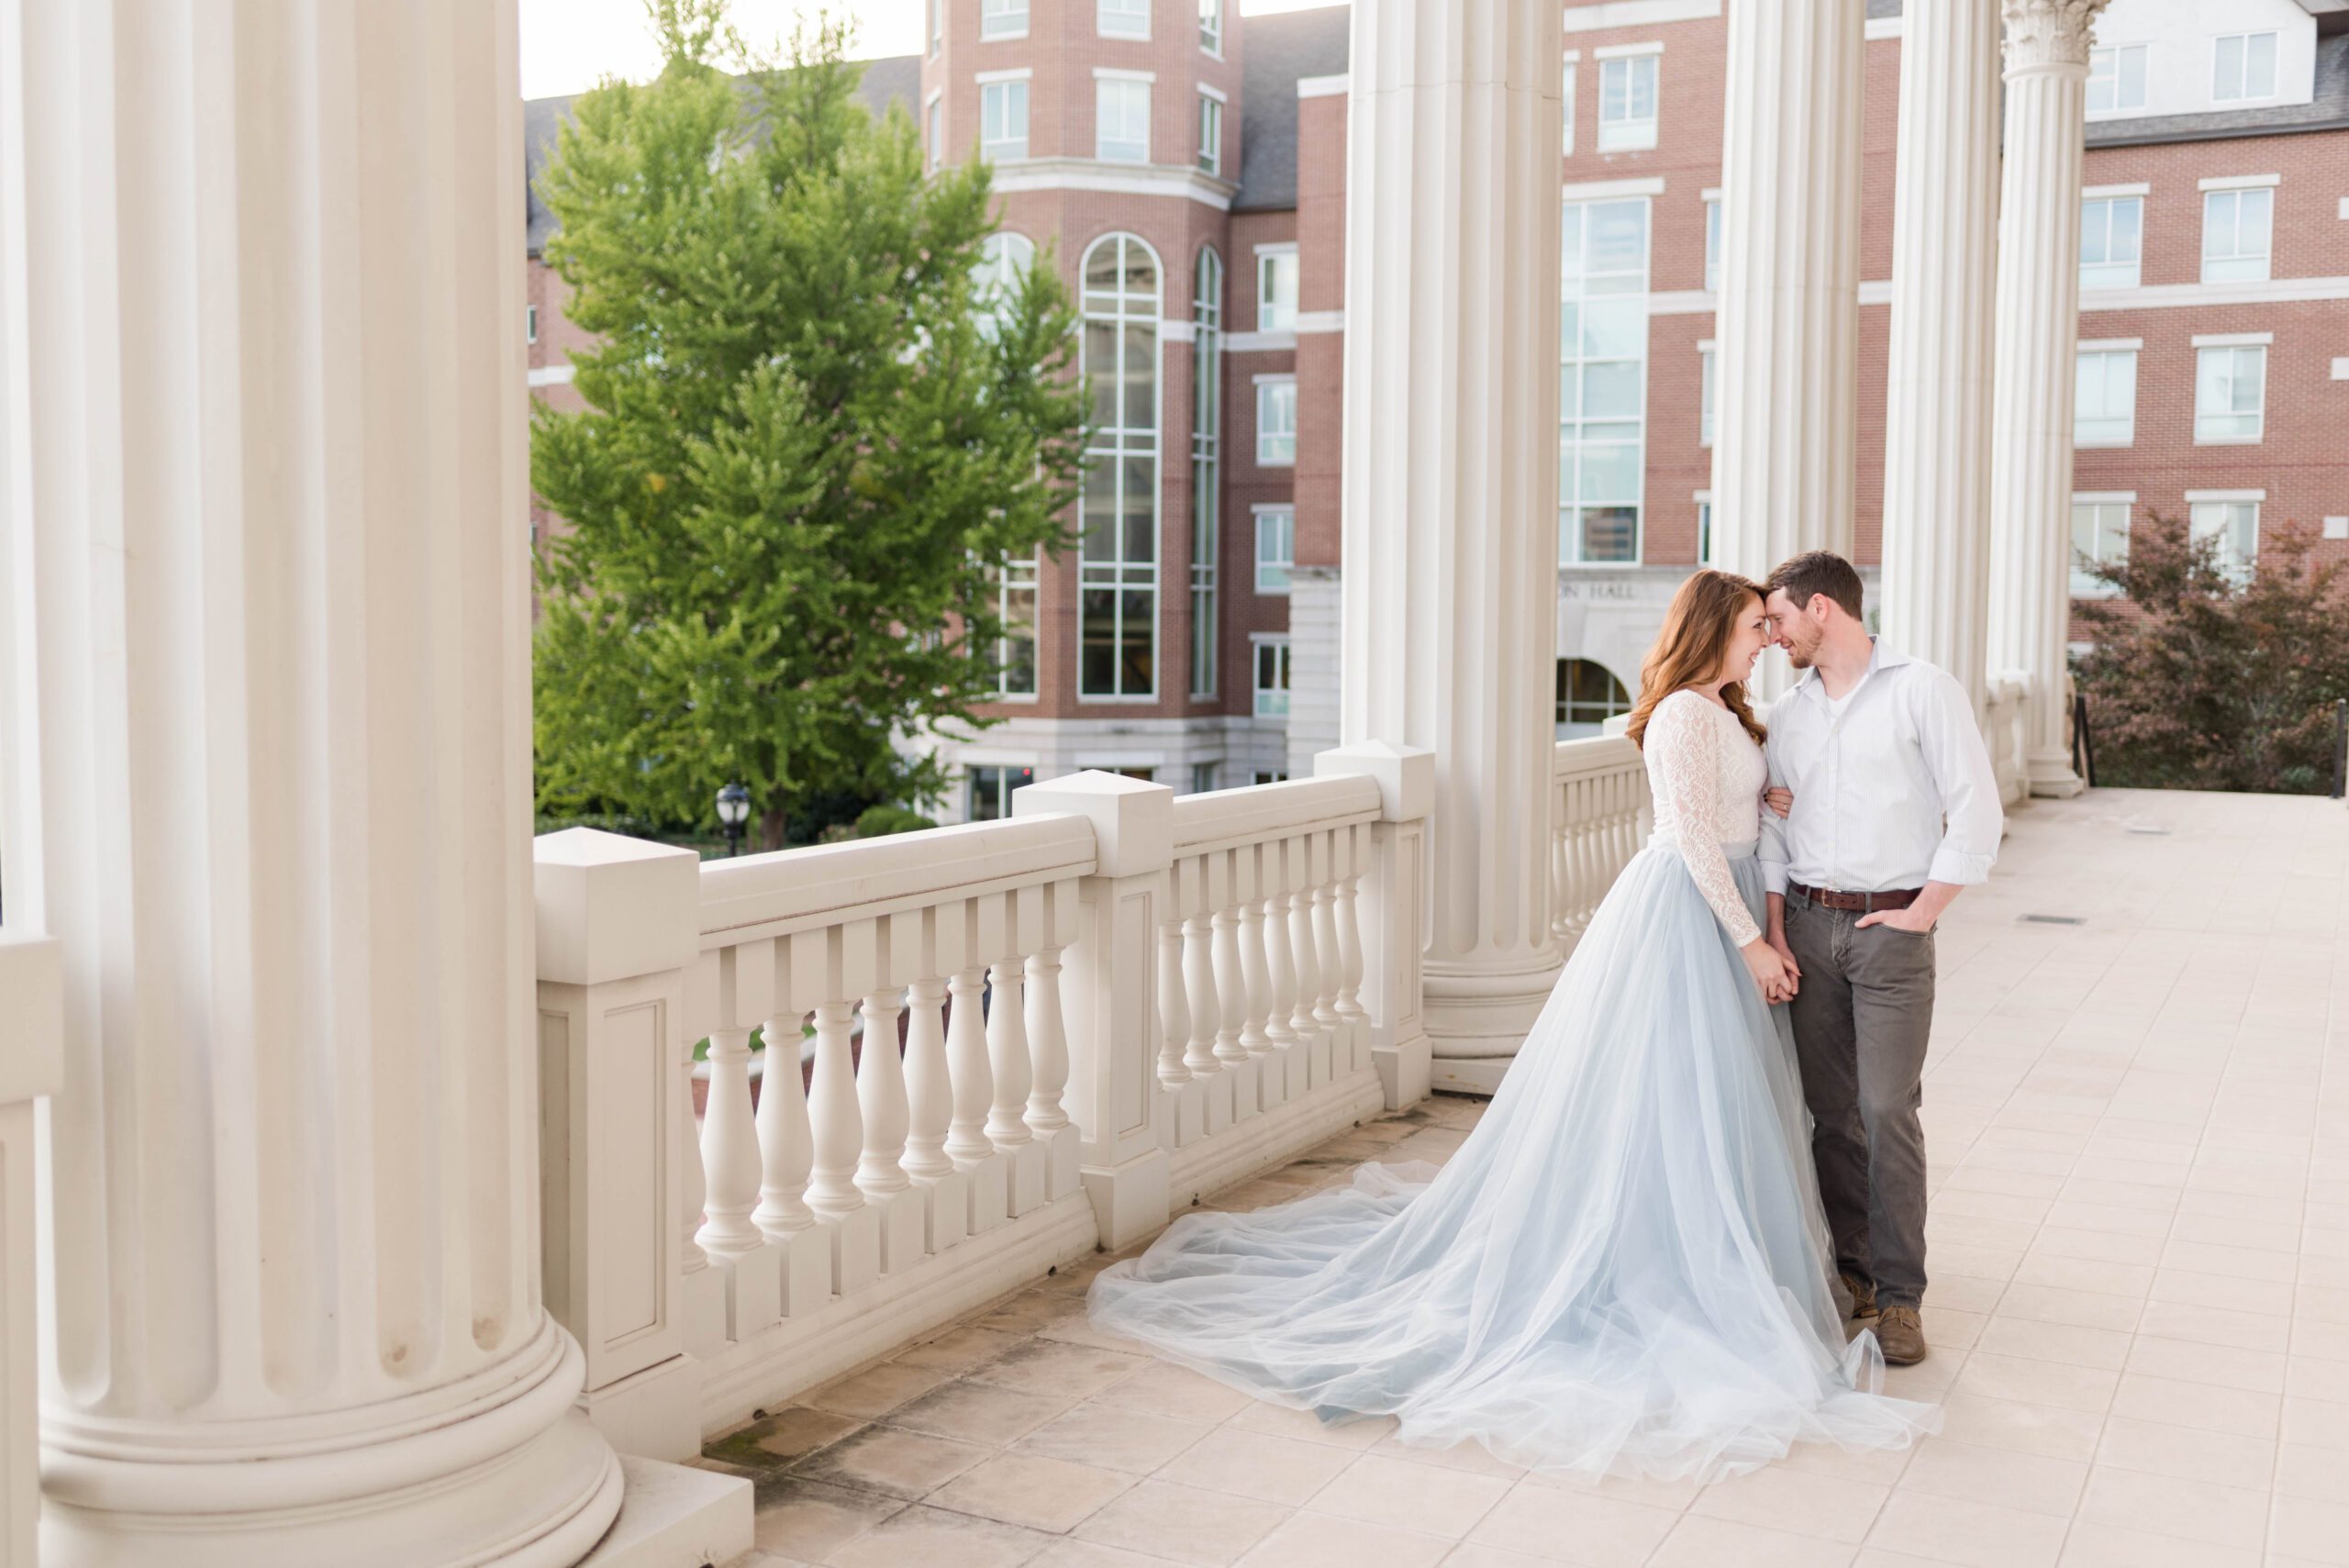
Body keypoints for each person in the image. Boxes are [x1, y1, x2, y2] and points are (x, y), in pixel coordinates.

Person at [1086, 570, 1939, 1481]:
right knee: (1659, 1098)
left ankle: (1729, 1254)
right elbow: (1690, 838)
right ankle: (1650, 1262)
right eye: (1748, 625)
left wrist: (1767, 840)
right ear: (1709, 629)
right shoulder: (1684, 715)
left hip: (1732, 915)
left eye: (1768, 626)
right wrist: (1749, 944)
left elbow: (1740, 815)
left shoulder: (1731, 708)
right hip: (1690, 917)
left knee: (1714, 1111)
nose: (1763, 637)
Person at [1757, 551, 2004, 1367]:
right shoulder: (1787, 712)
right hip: (1808, 926)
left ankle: (1903, 1298)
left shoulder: (1922, 689)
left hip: (1890, 932)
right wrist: (1780, 924)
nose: (1772, 633)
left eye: (1780, 618)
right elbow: (1776, 826)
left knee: (1888, 1109)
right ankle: (1855, 1279)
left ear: (1821, 608)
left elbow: (1976, 806)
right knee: (1833, 1118)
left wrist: (1923, 913)